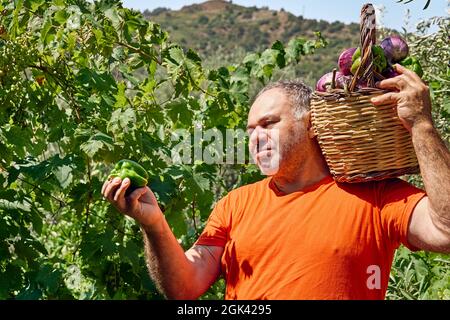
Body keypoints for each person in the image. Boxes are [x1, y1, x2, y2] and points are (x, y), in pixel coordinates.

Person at [101, 64, 450, 299]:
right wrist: (154, 224)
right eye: (250, 131)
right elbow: (184, 286)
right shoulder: (236, 204)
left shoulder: (376, 196)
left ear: (311, 124)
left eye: (268, 124)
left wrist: (421, 126)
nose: (256, 138)